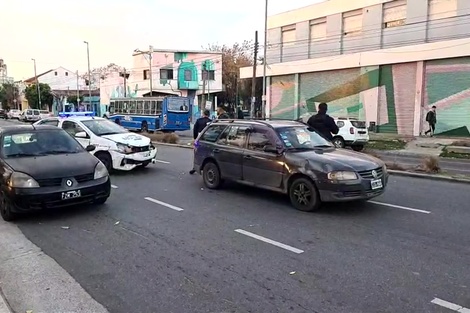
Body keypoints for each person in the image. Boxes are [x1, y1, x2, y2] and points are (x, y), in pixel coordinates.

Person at [189, 110, 212, 175]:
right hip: (208, 140)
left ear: (203, 114)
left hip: (199, 139)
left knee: (196, 152)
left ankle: (195, 167)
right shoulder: (211, 121)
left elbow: (195, 130)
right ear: (209, 115)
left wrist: (195, 138)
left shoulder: (199, 120)